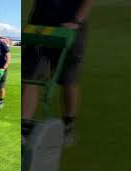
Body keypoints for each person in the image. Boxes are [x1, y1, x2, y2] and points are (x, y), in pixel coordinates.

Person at [22, 0, 93, 144]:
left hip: (70, 27)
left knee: (68, 79)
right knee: (31, 76)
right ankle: (24, 126)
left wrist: (77, 21)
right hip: (39, 25)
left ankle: (68, 124)